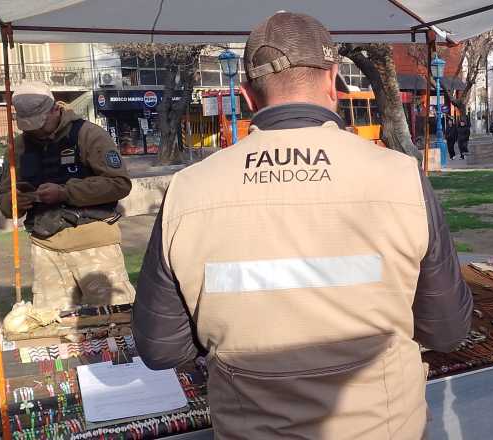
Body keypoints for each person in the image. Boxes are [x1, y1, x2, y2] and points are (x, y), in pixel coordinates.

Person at [132, 12, 473, 439]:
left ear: (247, 96)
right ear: (332, 81)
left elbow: (162, 348)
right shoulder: (401, 177)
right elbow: (448, 329)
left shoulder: (188, 189)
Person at [0, 81, 134, 311]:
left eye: (39, 123)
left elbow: (119, 184)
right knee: (50, 323)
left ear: (55, 109)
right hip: (46, 250)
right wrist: (14, 201)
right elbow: (2, 197)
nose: (35, 131)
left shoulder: (88, 134)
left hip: (95, 247)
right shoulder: (18, 146)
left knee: (115, 319)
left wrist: (65, 193)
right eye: (28, 126)